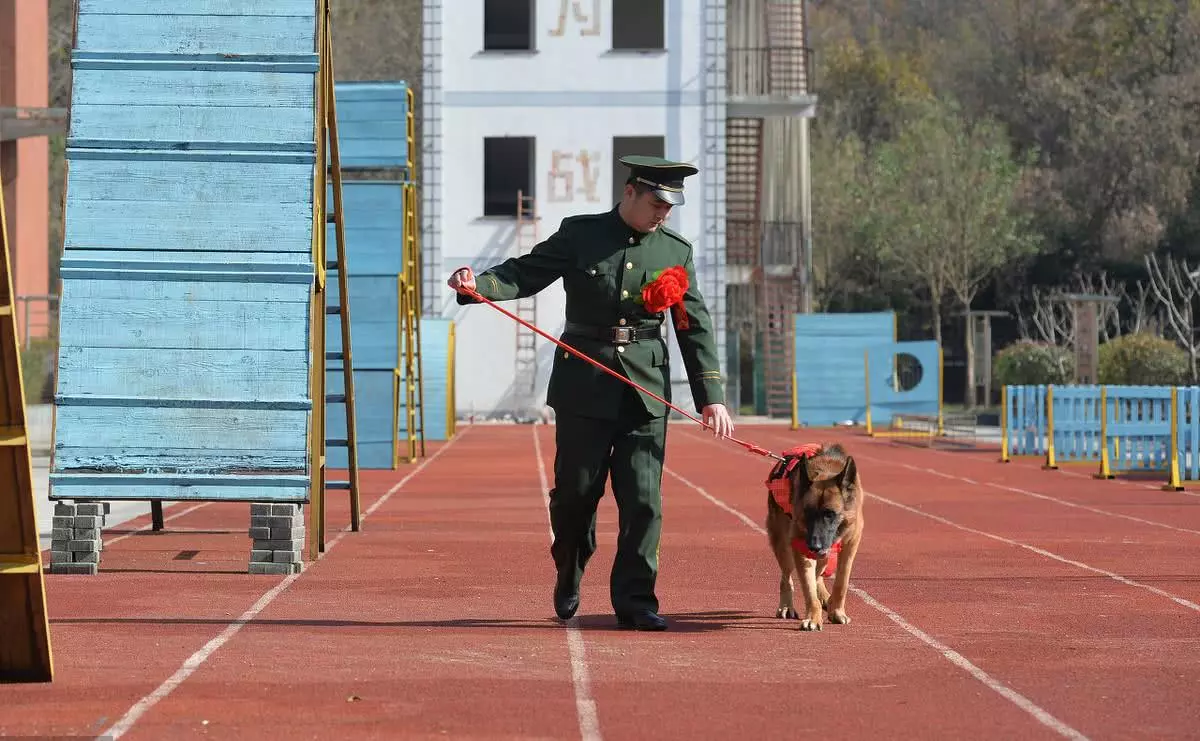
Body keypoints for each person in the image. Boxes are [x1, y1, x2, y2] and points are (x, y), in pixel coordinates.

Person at [447, 155, 734, 631]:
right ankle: (570, 567)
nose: (664, 213)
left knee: (644, 501)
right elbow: (528, 271)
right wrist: (481, 285)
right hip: (584, 384)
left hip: (645, 391)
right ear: (630, 192)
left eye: (671, 205)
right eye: (657, 202)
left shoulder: (675, 252)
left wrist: (711, 394)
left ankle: (637, 600)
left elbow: (691, 324)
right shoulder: (581, 234)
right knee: (575, 496)